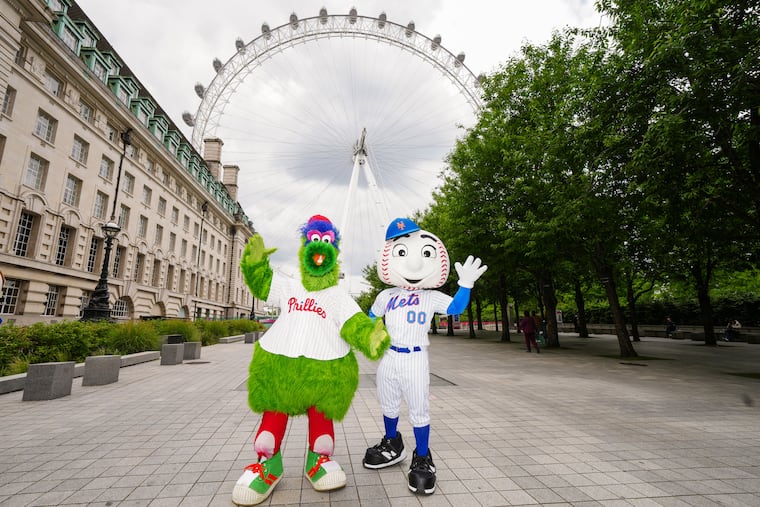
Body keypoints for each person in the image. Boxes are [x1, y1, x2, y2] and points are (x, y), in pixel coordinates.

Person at [362, 218, 487, 496]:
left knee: (419, 408)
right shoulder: (386, 295)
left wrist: (465, 284)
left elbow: (455, 308)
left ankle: (422, 456)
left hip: (416, 357)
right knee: (388, 402)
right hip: (390, 356)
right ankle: (393, 443)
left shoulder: (431, 296)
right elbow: (371, 318)